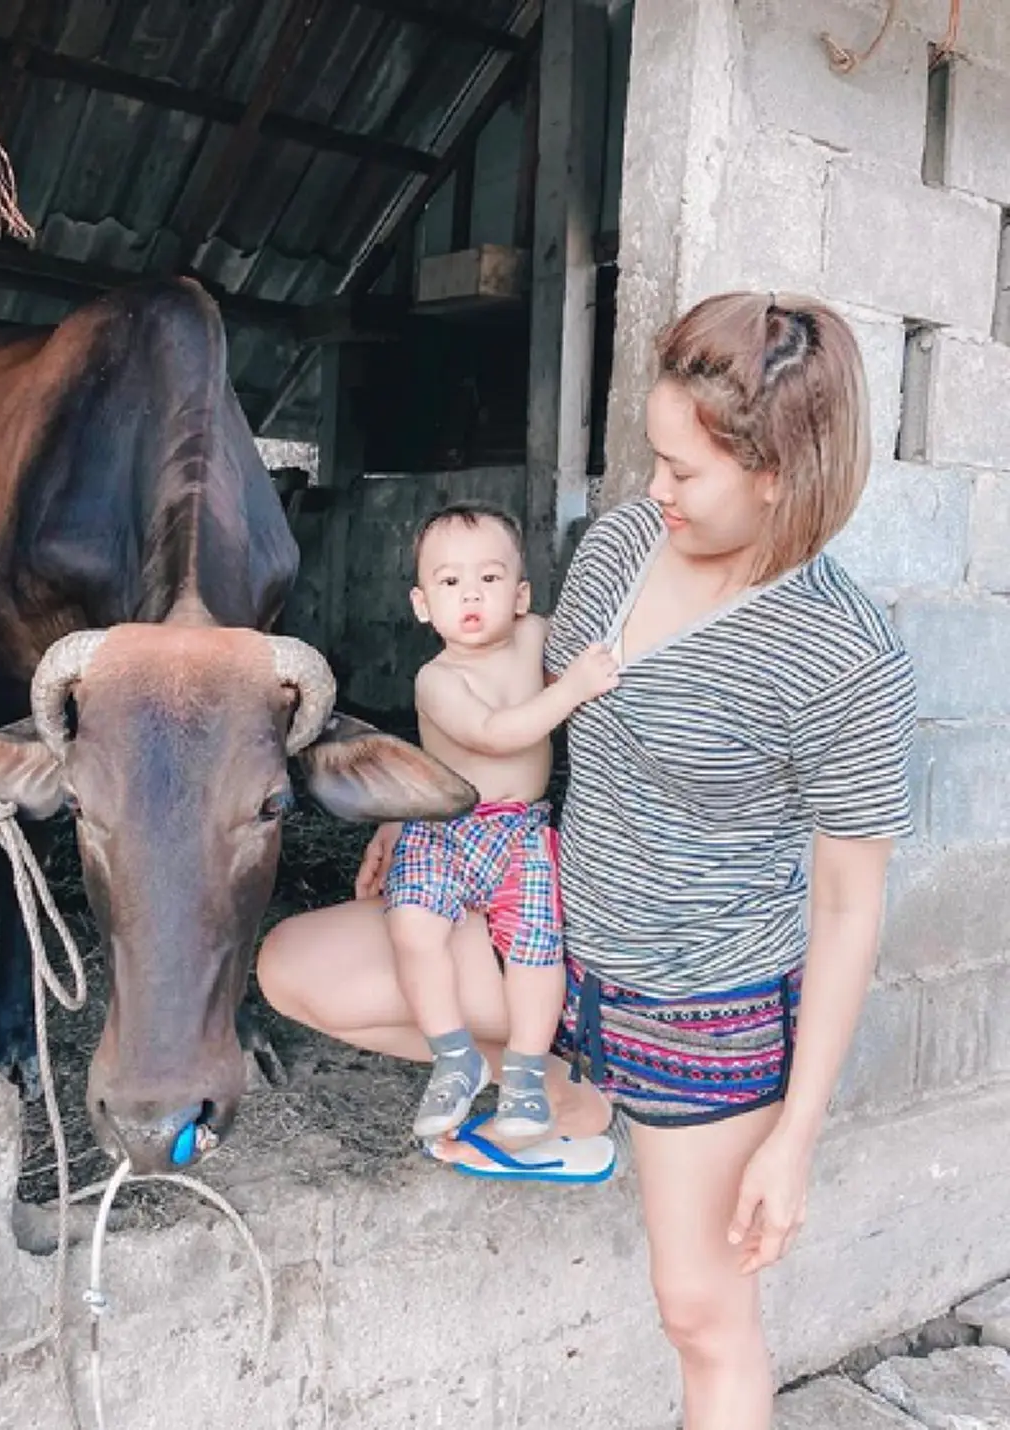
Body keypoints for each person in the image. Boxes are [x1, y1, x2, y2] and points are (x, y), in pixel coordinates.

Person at [257, 291, 917, 1430]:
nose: (653, 489)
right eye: (652, 456)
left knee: (700, 1316)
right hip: (549, 936)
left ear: (778, 476)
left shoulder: (844, 656)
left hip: (699, 1011)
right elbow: (511, 703)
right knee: (293, 964)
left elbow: (850, 908)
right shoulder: (620, 546)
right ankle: (564, 1091)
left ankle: (599, 1097)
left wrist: (796, 1134)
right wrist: (419, 819)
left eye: (683, 469)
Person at [372, 501, 618, 1142]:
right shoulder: (437, 679)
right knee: (411, 925)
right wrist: (574, 690)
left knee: (537, 949)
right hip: (444, 825)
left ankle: (528, 1076)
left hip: (521, 834)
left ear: (521, 593)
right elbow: (496, 735)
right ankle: (454, 1055)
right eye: (450, 582)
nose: (471, 594)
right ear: (423, 605)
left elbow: (594, 632)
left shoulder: (538, 634)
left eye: (489, 577)